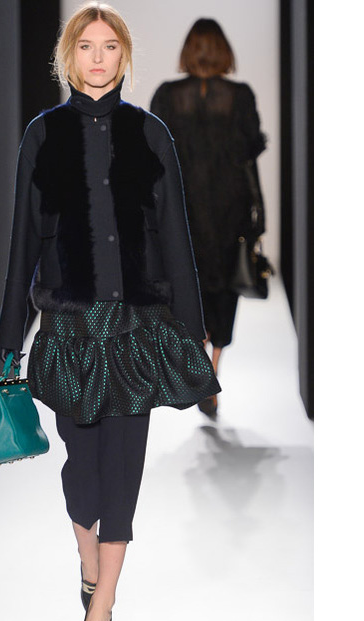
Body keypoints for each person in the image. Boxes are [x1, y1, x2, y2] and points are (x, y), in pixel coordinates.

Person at [0, 3, 220, 621]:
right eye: (86, 46)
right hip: (69, 329)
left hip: (134, 330)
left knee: (121, 475)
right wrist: (9, 334)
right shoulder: (43, 135)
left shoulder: (150, 133)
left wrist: (192, 331)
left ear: (124, 56)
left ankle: (101, 611)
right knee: (81, 476)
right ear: (69, 57)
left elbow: (174, 236)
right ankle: (88, 561)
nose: (98, 58)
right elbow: (24, 239)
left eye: (109, 46)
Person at [150, 18, 267, 417]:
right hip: (229, 210)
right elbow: (251, 150)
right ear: (223, 51)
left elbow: (153, 154)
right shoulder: (240, 96)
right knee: (225, 291)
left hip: (182, 211)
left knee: (188, 288)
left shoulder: (167, 96)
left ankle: (200, 366)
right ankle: (213, 370)